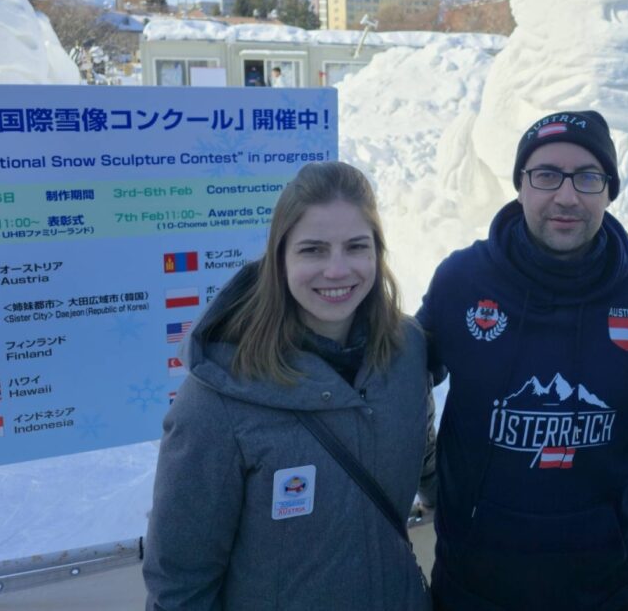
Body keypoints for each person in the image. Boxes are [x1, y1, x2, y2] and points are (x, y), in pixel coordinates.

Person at [417, 109, 628, 611]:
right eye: (546, 175)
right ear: (520, 185)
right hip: (473, 588)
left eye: (587, 177)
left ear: (609, 190)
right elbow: (396, 379)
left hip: (605, 590)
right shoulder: (462, 281)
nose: (566, 196)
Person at [143, 161, 433, 610]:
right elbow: (181, 581)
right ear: (279, 259)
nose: (337, 270)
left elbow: (426, 459)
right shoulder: (220, 395)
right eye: (313, 250)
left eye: (356, 247)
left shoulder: (406, 351)